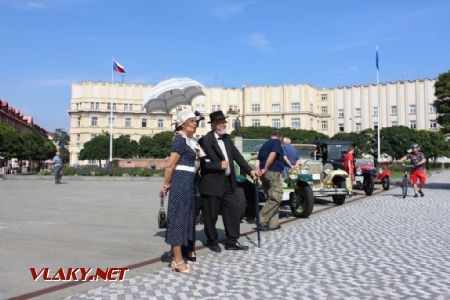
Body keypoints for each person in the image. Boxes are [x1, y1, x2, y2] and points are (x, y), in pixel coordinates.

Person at [198, 110, 258, 252]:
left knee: (232, 212)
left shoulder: (226, 139)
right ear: (213, 125)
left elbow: (237, 156)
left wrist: (250, 171)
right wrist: (219, 165)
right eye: (220, 123)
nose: (224, 125)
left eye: (224, 122)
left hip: (228, 182)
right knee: (211, 215)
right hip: (212, 184)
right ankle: (212, 240)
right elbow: (203, 164)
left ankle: (232, 240)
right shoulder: (205, 141)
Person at [160, 110, 203, 274]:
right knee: (178, 220)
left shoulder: (190, 141)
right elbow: (170, 165)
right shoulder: (179, 140)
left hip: (188, 183)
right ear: (182, 124)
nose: (195, 123)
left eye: (196, 121)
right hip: (180, 184)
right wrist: (165, 185)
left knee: (184, 219)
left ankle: (176, 258)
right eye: (191, 120)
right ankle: (178, 260)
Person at [256, 130, 285, 231]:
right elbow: (272, 155)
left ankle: (273, 223)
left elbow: (258, 159)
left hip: (265, 174)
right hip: (273, 172)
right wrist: (266, 168)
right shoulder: (276, 143)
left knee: (271, 198)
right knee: (276, 198)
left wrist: (259, 171)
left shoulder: (264, 144)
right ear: (280, 137)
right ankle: (261, 219)